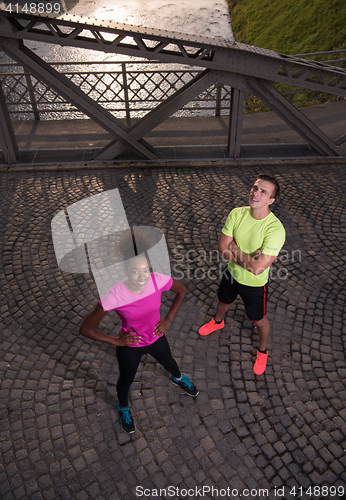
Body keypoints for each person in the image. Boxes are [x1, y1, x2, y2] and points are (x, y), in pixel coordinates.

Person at [80, 230, 198, 434]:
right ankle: (123, 407)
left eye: (146, 269)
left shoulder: (156, 280)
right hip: (131, 346)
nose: (142, 277)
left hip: (156, 337)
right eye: (135, 271)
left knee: (170, 362)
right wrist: (116, 342)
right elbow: (86, 328)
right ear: (125, 270)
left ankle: (178, 378)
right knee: (126, 380)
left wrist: (168, 319)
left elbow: (182, 290)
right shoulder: (114, 296)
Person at [198, 174, 286, 376]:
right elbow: (221, 247)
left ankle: (262, 351)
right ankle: (218, 322)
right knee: (222, 301)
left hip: (254, 284)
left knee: (258, 320)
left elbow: (257, 270)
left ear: (271, 200)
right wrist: (247, 258)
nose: (256, 193)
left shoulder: (275, 229)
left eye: (263, 191)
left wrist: (235, 249)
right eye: (255, 187)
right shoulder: (237, 214)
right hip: (231, 274)